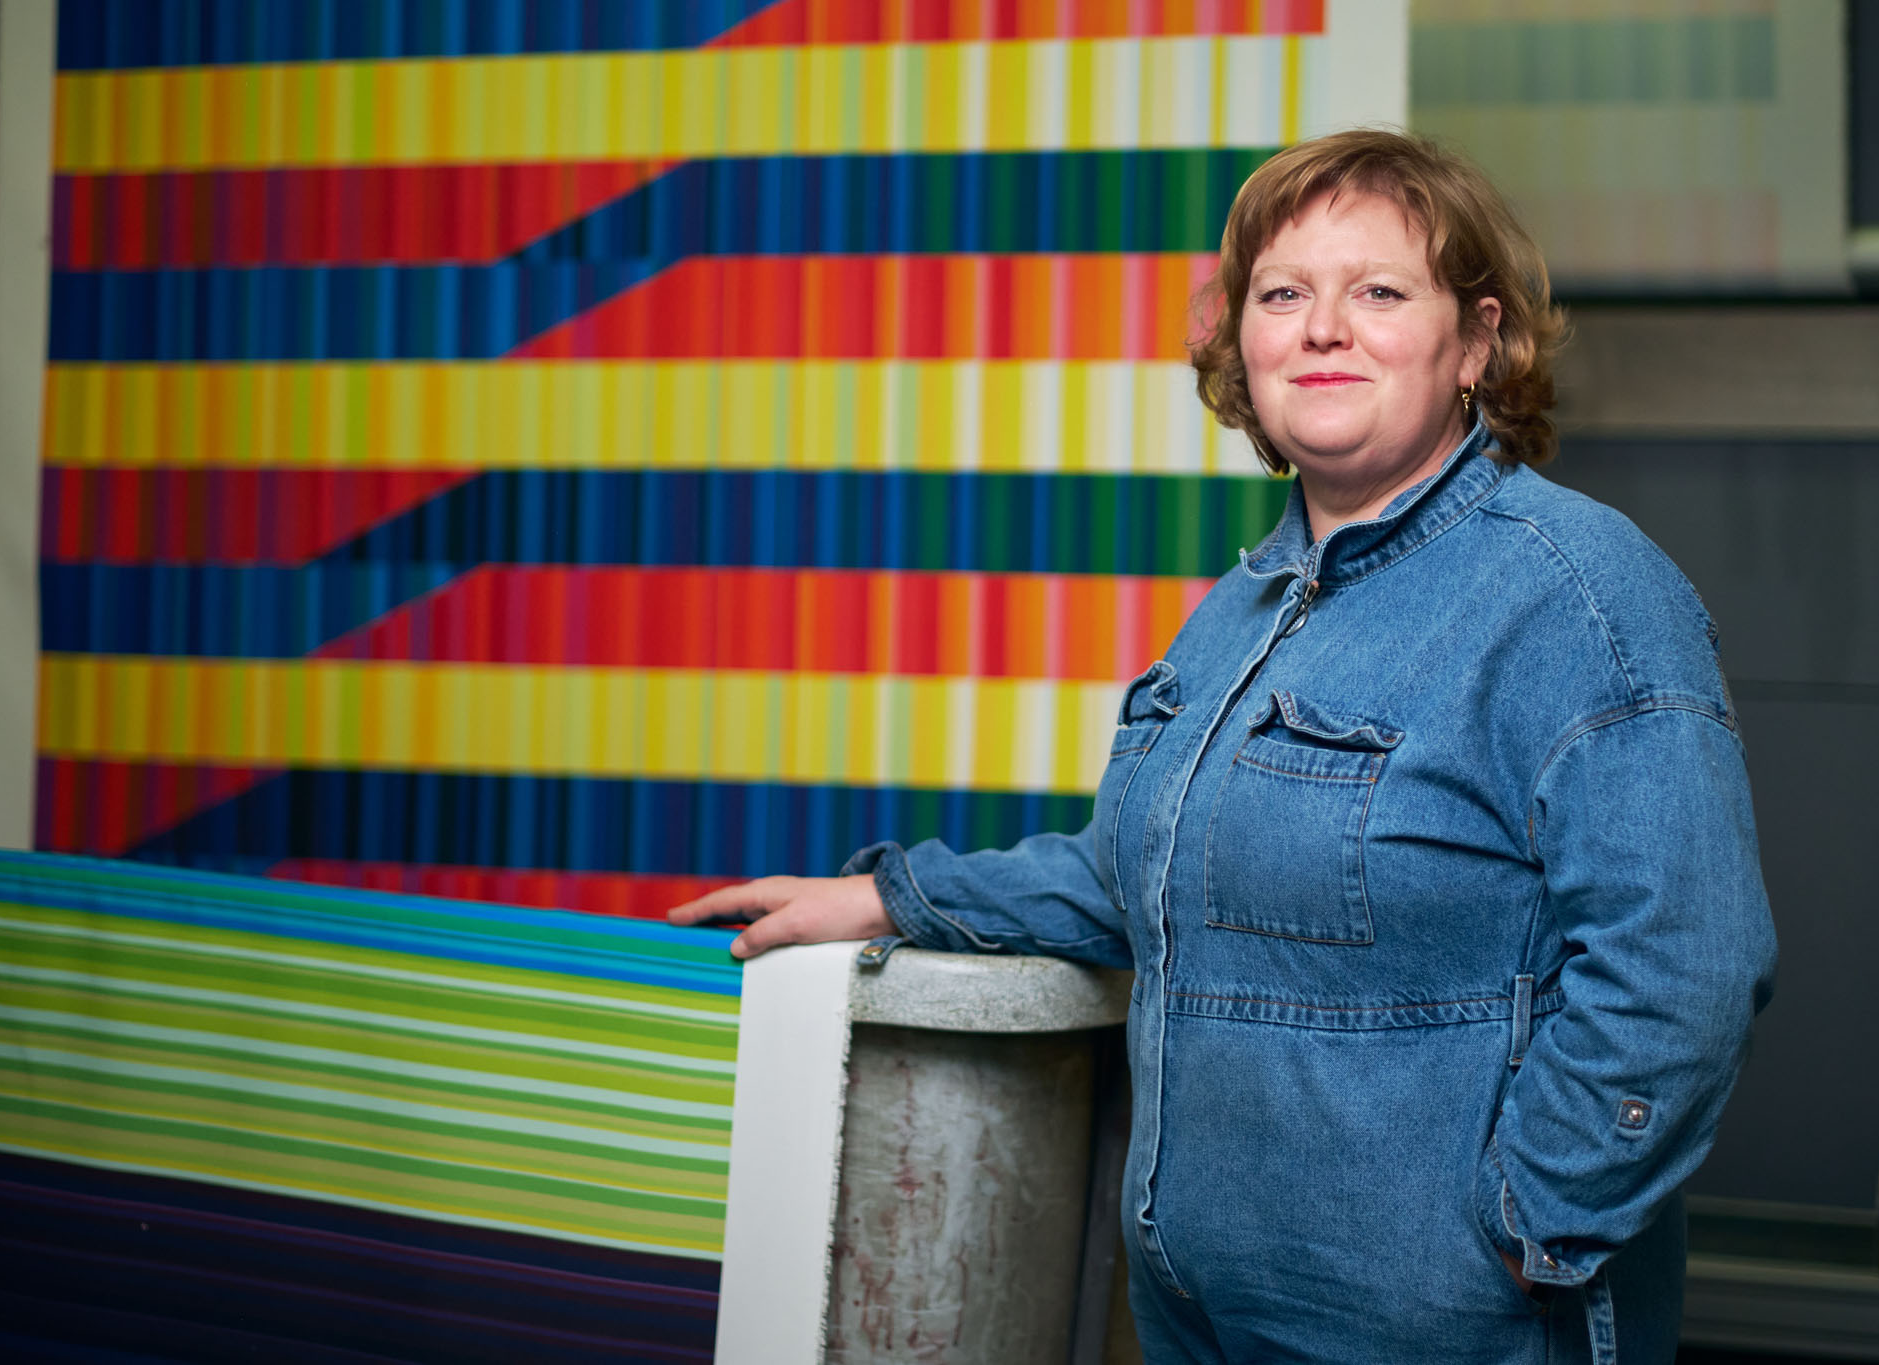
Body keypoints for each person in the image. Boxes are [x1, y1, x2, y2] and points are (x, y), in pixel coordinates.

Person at [670, 129, 1775, 1365]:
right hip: (1199, 1314)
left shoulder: (1579, 591)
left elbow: (1685, 962)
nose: (1320, 328)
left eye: (1377, 291)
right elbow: (1132, 879)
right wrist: (886, 896)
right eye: (1282, 293)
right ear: (1238, 345)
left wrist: (1531, 1228)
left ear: (1473, 341)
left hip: (1452, 1325)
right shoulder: (1245, 604)